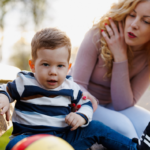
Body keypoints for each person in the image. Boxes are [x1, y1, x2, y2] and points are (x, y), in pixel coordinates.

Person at [0, 27, 149, 150]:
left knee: (96, 127)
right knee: (14, 144)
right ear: (33, 65)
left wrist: (80, 117)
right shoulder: (25, 81)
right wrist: (4, 98)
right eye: (46, 64)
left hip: (63, 141)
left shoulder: (70, 87)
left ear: (68, 67)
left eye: (60, 66)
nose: (53, 71)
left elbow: (86, 104)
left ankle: (134, 148)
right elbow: (5, 89)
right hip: (29, 139)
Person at [68, 0, 150, 139]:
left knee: (147, 123)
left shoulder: (147, 56)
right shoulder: (98, 34)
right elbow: (76, 85)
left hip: (112, 106)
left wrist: (120, 56)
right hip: (81, 102)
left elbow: (123, 105)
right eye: (131, 15)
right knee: (123, 127)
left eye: (146, 21)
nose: (134, 24)